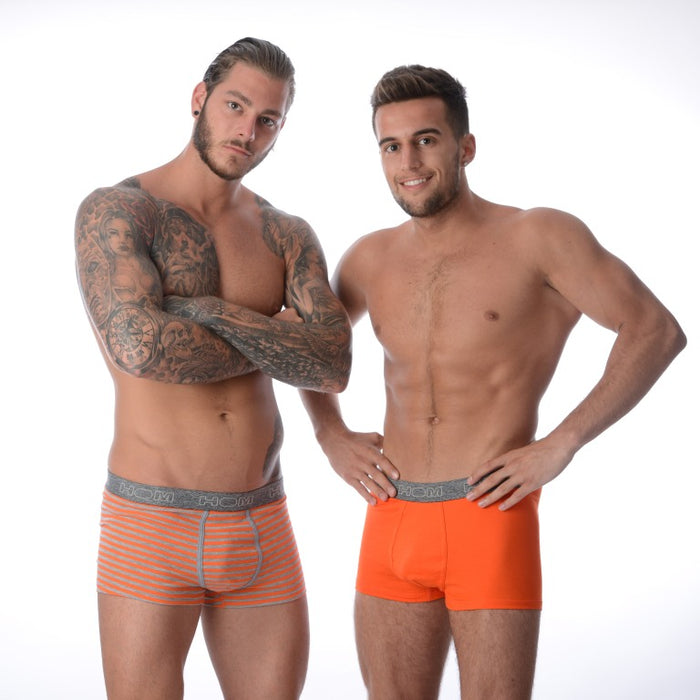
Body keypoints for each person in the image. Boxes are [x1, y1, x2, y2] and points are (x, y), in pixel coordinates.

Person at [301, 65, 686, 699]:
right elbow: (311, 346)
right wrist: (329, 434)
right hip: (390, 515)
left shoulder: (538, 235)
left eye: (426, 140)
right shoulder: (369, 257)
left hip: (490, 513)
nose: (408, 162)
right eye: (391, 146)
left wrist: (562, 442)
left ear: (466, 147)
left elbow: (655, 331)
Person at [75, 37, 351, 700]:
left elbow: (332, 364)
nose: (248, 130)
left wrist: (207, 311)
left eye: (268, 119)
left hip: (261, 520)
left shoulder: (286, 233)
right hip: (151, 520)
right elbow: (139, 347)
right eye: (235, 105)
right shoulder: (119, 210)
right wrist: (280, 334)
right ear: (200, 99)